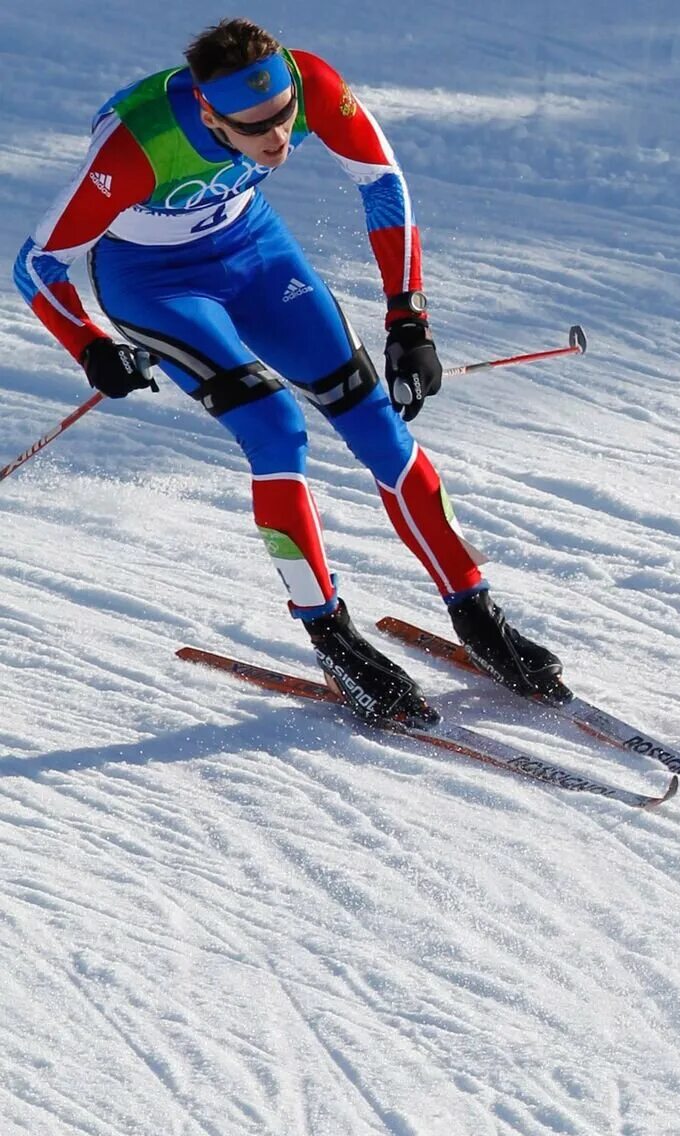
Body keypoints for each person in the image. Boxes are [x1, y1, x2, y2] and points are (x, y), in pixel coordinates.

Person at [12, 18, 561, 724]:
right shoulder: (138, 146)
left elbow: (382, 182)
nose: (278, 138)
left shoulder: (310, 83)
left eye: (284, 116)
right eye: (255, 126)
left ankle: (477, 614)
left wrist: (408, 318)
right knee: (276, 427)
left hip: (252, 249)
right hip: (153, 283)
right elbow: (38, 263)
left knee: (376, 419)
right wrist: (89, 346)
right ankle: (329, 633)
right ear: (210, 113)